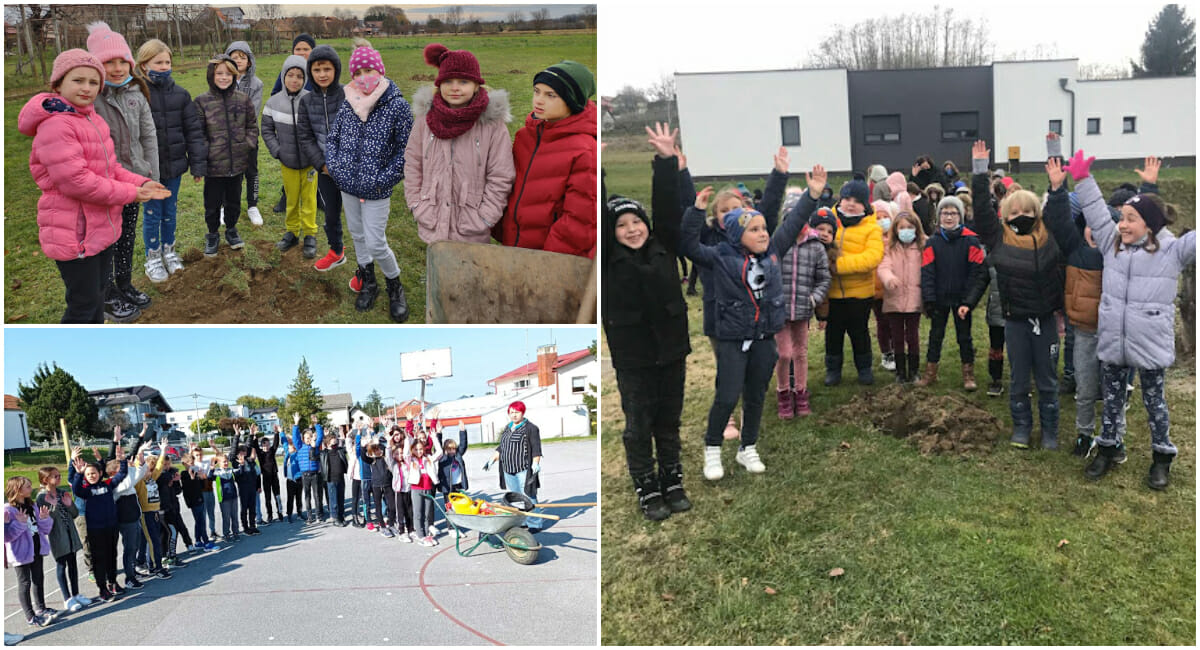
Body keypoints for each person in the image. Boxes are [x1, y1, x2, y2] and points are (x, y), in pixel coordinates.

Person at [1064, 152, 1195, 488]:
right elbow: (1094, 209)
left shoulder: (1172, 250)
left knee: (1155, 406)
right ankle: (1107, 450)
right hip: (1114, 343)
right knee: (1112, 403)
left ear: (1150, 224)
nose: (1122, 224)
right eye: (1121, 217)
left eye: (1131, 219)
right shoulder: (1112, 245)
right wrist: (1082, 178)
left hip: (1149, 346)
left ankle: (1161, 458)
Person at [17, 49, 169, 324]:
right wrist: (132, 193)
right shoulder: (56, 125)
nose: (87, 88)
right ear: (58, 84)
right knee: (83, 306)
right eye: (78, 80)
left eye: (93, 82)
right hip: (74, 234)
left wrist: (142, 181)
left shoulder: (92, 119)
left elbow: (111, 169)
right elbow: (77, 182)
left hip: (99, 229)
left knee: (97, 297)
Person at [682, 163, 813, 480]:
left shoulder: (773, 252)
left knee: (755, 396)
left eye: (764, 229)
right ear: (739, 235)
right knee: (727, 396)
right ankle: (712, 450)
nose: (763, 233)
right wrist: (697, 211)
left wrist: (814, 194)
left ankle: (747, 448)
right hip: (731, 339)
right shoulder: (720, 257)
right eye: (754, 230)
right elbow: (686, 245)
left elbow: (792, 221)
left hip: (764, 337)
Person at [601, 124, 693, 520]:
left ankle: (671, 477)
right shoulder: (607, 258)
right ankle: (646, 483)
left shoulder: (663, 246)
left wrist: (666, 160)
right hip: (634, 358)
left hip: (671, 350)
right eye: (621, 225)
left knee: (669, 419)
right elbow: (599, 214)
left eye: (636, 222)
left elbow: (668, 205)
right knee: (639, 424)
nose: (632, 229)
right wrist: (596, 168)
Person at [967, 139, 1063, 449]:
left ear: (1036, 212)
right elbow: (981, 209)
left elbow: (1060, 205)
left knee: (1048, 380)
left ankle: (1050, 431)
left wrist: (1055, 159)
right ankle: (1021, 427)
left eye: (1027, 210)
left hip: (1046, 319)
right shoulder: (997, 238)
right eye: (1015, 210)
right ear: (1006, 214)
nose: (1021, 214)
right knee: (1019, 378)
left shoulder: (1049, 235)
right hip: (1015, 321)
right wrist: (980, 171)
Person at [694, 151, 791, 440]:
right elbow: (686, 228)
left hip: (755, 318)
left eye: (737, 207)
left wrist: (779, 175)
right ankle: (727, 418)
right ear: (715, 216)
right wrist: (679, 174)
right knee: (728, 373)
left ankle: (751, 417)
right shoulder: (710, 241)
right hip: (720, 317)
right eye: (724, 210)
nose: (731, 214)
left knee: (755, 371)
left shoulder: (757, 237)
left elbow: (770, 209)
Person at [326, 39, 413, 322]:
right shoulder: (348, 102)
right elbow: (333, 139)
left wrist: (382, 179)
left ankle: (394, 285)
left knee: (376, 242)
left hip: (376, 190)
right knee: (358, 236)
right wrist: (337, 169)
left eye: (369, 70)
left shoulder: (397, 106)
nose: (364, 77)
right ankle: (369, 281)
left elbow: (407, 149)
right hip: (348, 186)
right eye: (358, 72)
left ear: (380, 71)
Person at [406, 43, 515, 245]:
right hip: (432, 221)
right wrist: (416, 205)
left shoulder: (492, 124)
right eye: (448, 81)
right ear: (439, 85)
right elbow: (413, 162)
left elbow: (501, 174)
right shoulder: (425, 120)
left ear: (476, 85)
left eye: (463, 81)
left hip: (471, 227)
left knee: (470, 276)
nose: (455, 87)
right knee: (437, 274)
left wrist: (485, 217)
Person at [87, 22, 159, 322]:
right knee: (108, 240)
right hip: (104, 186)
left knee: (127, 236)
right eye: (108, 62)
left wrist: (151, 176)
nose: (116, 68)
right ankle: (106, 294)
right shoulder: (91, 96)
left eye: (121, 61)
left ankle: (124, 283)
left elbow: (148, 136)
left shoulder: (136, 93)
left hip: (133, 182)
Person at [493, 61, 597, 257]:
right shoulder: (525, 137)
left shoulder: (585, 150)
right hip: (513, 249)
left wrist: (548, 261)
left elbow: (581, 220)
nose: (538, 100)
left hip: (552, 259)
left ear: (573, 101)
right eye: (536, 91)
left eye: (550, 95)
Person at [135, 39, 205, 282]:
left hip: (174, 166)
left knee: (170, 211)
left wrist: (197, 164)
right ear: (144, 65)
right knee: (153, 212)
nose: (164, 66)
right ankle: (152, 257)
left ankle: (169, 251)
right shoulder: (136, 94)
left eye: (167, 62)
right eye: (158, 62)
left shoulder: (182, 95)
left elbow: (193, 132)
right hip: (148, 170)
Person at [915, 194, 985, 390]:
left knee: (965, 337)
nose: (948, 217)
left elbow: (977, 273)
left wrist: (969, 301)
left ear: (960, 216)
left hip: (962, 300)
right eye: (945, 213)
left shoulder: (971, 241)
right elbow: (927, 272)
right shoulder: (932, 243)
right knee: (935, 335)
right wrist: (929, 299)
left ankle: (968, 374)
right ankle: (930, 372)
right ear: (939, 216)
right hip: (939, 299)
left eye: (953, 213)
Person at [775, 171, 831, 415]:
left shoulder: (815, 245)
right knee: (784, 353)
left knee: (800, 353)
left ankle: (801, 393)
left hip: (803, 308)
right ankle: (783, 394)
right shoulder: (777, 242)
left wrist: (814, 298)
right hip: (779, 308)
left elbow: (823, 278)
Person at [822, 176, 885, 386]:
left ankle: (864, 368)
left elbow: (872, 258)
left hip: (860, 294)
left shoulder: (872, 228)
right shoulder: (828, 222)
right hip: (832, 293)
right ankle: (833, 369)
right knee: (833, 334)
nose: (850, 203)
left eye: (856, 200)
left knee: (859, 333)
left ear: (864, 205)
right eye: (846, 198)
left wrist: (838, 267)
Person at [193, 54, 257, 257]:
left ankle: (231, 229)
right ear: (211, 75)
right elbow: (199, 133)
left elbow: (252, 127)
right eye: (219, 73)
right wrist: (208, 154)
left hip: (237, 163)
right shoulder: (202, 102)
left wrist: (246, 145)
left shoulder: (243, 100)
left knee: (234, 200)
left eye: (228, 74)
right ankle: (212, 234)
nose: (223, 77)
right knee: (212, 203)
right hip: (214, 166)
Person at [296, 44, 348, 272]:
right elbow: (305, 137)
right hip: (325, 170)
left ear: (336, 69)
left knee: (358, 218)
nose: (322, 74)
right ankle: (336, 251)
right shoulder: (306, 102)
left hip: (351, 169)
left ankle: (367, 264)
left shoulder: (349, 94)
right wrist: (321, 164)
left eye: (327, 69)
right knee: (330, 213)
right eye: (317, 70)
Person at [264, 54, 318, 258]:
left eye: (299, 76)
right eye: (290, 75)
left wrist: (316, 154)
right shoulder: (273, 103)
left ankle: (310, 234)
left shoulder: (311, 101)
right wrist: (278, 151)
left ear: (305, 79)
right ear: (283, 77)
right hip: (287, 162)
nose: (294, 80)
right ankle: (292, 232)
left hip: (309, 163)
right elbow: (267, 129)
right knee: (292, 199)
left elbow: (320, 130)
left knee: (309, 199)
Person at [69, 454, 128, 603]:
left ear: (100, 473)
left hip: (111, 527)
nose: (91, 476)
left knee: (112, 556)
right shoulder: (86, 490)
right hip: (96, 529)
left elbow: (122, 474)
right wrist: (78, 473)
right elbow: (76, 490)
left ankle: (112, 582)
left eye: (94, 473)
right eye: (88, 474)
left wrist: (122, 460)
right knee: (99, 559)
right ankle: (102, 589)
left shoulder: (107, 485)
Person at [876, 211, 926, 382]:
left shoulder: (922, 247)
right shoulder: (889, 248)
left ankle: (914, 370)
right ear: (896, 229)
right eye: (902, 227)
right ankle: (900, 372)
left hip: (914, 299)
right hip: (894, 298)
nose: (906, 231)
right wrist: (889, 278)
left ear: (916, 229)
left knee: (912, 335)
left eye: (910, 227)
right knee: (896, 335)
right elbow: (883, 267)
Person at [6, 477, 58, 626]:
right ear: (17, 490)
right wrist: (21, 524)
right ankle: (30, 616)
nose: (31, 488)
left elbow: (44, 529)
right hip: (21, 553)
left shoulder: (32, 506)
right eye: (27, 486)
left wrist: (44, 519)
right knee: (25, 583)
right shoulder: (8, 510)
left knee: (38, 579)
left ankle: (41, 608)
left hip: (36, 548)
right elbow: (8, 536)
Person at [484, 402, 544, 530]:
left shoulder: (531, 428)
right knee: (515, 497)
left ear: (523, 412)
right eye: (511, 412)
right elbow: (502, 447)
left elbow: (536, 449)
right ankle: (521, 521)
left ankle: (535, 523)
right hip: (508, 469)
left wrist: (535, 463)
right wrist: (492, 459)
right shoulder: (508, 427)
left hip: (523, 469)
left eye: (517, 412)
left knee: (528, 496)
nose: (514, 415)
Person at [224, 40, 265, 226]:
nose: (238, 61)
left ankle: (252, 206)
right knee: (229, 172)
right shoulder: (223, 80)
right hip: (226, 137)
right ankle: (226, 206)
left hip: (249, 136)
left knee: (251, 171)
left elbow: (252, 112)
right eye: (234, 57)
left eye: (242, 57)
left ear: (249, 61)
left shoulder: (257, 84)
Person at [35, 467, 87, 612]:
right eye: (55, 476)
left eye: (59, 476)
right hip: (57, 535)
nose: (59, 478)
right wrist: (53, 506)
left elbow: (75, 513)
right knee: (61, 565)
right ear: (45, 479)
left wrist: (69, 504)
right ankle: (67, 598)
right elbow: (45, 520)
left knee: (73, 564)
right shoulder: (41, 497)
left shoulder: (61, 493)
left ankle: (76, 594)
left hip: (70, 533)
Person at [402, 434, 443, 546]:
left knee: (426, 514)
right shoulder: (411, 460)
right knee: (418, 513)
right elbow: (405, 453)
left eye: (421, 449)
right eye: (416, 449)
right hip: (417, 490)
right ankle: (421, 536)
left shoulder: (428, 459)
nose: (419, 451)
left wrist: (434, 438)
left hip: (428, 488)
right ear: (412, 450)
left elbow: (439, 452)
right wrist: (408, 439)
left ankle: (427, 534)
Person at [291, 413, 325, 524]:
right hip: (305, 475)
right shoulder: (300, 446)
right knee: (307, 497)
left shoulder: (315, 446)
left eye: (309, 438)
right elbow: (295, 437)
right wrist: (296, 423)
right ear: (303, 439)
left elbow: (320, 436)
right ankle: (310, 516)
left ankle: (319, 515)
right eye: (306, 438)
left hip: (315, 474)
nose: (308, 439)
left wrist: (317, 424)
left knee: (317, 496)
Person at [320, 431, 349, 526]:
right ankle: (335, 518)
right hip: (331, 479)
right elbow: (313, 453)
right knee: (334, 500)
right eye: (333, 444)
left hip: (341, 478)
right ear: (327, 444)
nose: (335, 445)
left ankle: (341, 516)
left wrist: (344, 437)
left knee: (341, 499)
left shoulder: (339, 450)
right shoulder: (323, 454)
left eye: (336, 443)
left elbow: (348, 446)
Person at [210, 452, 240, 540]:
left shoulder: (231, 470)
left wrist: (241, 464)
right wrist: (212, 469)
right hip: (224, 499)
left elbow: (239, 473)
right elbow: (210, 477)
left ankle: (236, 532)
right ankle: (226, 534)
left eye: (227, 461)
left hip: (234, 497)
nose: (226, 463)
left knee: (234, 516)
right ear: (219, 463)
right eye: (223, 462)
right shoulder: (217, 472)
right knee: (226, 518)